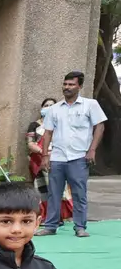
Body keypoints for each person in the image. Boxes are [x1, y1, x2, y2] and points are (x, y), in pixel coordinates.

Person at [36, 71, 106, 238]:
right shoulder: (54, 109)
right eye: (65, 84)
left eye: (71, 84)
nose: (67, 87)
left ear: (79, 86)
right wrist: (45, 156)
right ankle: (51, 226)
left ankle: (80, 227)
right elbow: (47, 133)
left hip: (79, 157)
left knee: (79, 193)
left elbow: (100, 126)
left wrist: (92, 150)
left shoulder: (90, 105)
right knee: (54, 193)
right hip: (58, 157)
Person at [27, 98, 73, 227]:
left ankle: (59, 216)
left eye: (51, 106)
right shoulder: (35, 125)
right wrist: (44, 152)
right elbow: (30, 143)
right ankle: (46, 216)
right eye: (46, 105)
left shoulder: (61, 124)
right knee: (44, 189)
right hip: (40, 161)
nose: (48, 107)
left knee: (59, 189)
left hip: (59, 159)